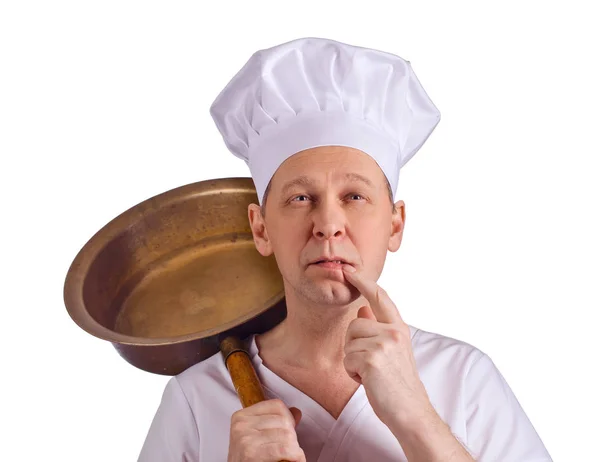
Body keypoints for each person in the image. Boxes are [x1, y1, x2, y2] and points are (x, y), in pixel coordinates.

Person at [138, 37, 552, 461]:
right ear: (261, 229)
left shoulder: (461, 378)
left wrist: (415, 415)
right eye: (300, 199)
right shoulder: (196, 399)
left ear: (395, 224)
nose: (328, 225)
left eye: (355, 196)